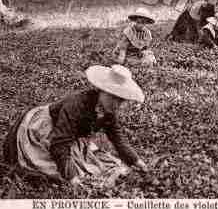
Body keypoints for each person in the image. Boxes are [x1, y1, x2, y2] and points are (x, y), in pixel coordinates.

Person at [3, 65, 149, 186]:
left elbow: (117, 138)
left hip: (69, 135)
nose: (116, 105)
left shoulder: (109, 111)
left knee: (101, 166)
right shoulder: (77, 104)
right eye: (113, 98)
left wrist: (136, 161)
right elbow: (59, 144)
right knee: (57, 171)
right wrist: (72, 178)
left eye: (121, 101)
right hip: (46, 131)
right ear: (102, 91)